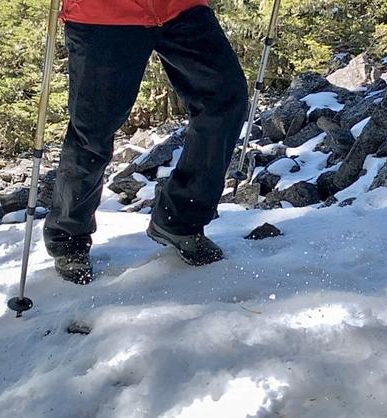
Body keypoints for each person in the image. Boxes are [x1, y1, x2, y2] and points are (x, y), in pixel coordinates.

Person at [43, 0, 249, 284]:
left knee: (224, 99)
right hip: (105, 13)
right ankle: (69, 237)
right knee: (93, 130)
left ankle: (180, 219)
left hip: (181, 7)